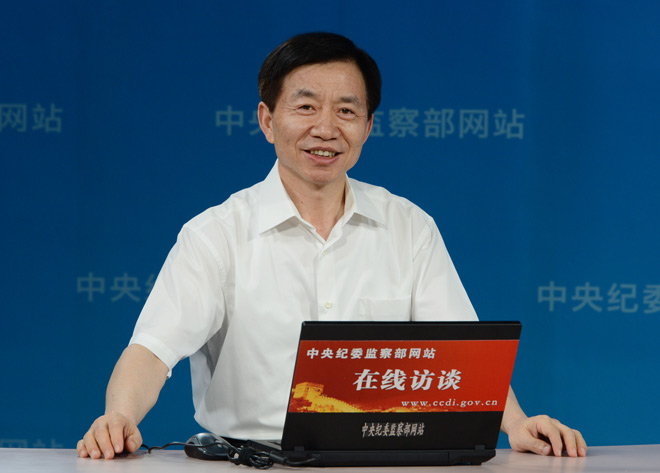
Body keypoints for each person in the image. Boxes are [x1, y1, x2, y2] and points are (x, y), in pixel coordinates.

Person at [77, 32, 587, 460]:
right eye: (305, 107)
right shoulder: (215, 234)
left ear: (368, 126)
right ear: (267, 120)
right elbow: (152, 352)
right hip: (251, 463)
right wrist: (118, 417)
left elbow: (463, 357)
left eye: (346, 110)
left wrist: (516, 423)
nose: (325, 128)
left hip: (386, 461)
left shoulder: (409, 226)